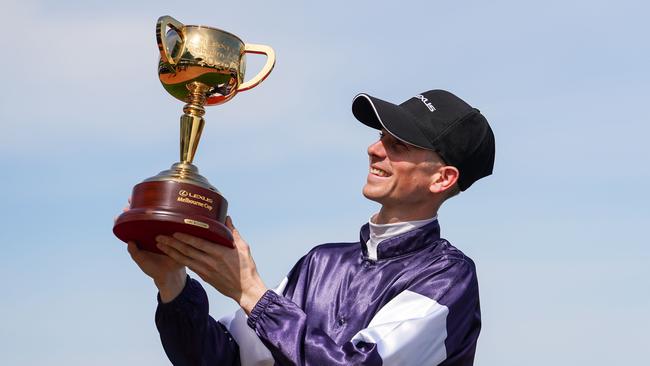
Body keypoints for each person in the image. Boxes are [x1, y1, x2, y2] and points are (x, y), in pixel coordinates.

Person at [126, 89, 495, 366]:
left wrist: (250, 292)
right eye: (381, 136)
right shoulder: (320, 262)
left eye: (398, 144)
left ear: (442, 179)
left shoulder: (448, 278)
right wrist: (172, 282)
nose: (374, 148)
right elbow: (222, 358)